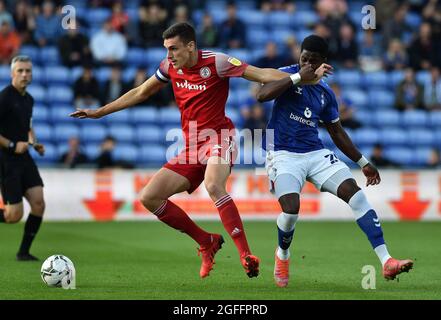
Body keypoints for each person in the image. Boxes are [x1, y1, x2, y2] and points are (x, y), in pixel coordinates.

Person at [70, 22, 329, 279]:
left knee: (213, 185)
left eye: (173, 49)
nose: (169, 55)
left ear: (191, 46)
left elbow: (261, 75)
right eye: (166, 50)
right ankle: (206, 242)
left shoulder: (218, 62)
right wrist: (100, 112)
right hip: (192, 145)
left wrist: (298, 78)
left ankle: (246, 255)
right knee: (149, 196)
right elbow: (140, 92)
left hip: (220, 137)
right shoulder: (169, 67)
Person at [256, 35, 413, 287]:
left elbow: (337, 133)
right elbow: (262, 95)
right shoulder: (287, 74)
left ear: (323, 63)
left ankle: (386, 261)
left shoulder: (326, 94)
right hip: (282, 153)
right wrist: (298, 77)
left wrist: (363, 162)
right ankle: (282, 254)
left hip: (315, 154)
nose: (306, 63)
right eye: (303, 58)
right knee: (290, 209)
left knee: (356, 195)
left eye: (312, 61)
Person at [0, 55, 46, 261]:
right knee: (13, 216)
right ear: (12, 73)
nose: (25, 74)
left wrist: (33, 142)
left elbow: (27, 125)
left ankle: (23, 252)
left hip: (25, 158)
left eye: (28, 71)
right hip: (6, 160)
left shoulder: (29, 99)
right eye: (20, 71)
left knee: (38, 203)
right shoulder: (4, 98)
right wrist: (11, 144)